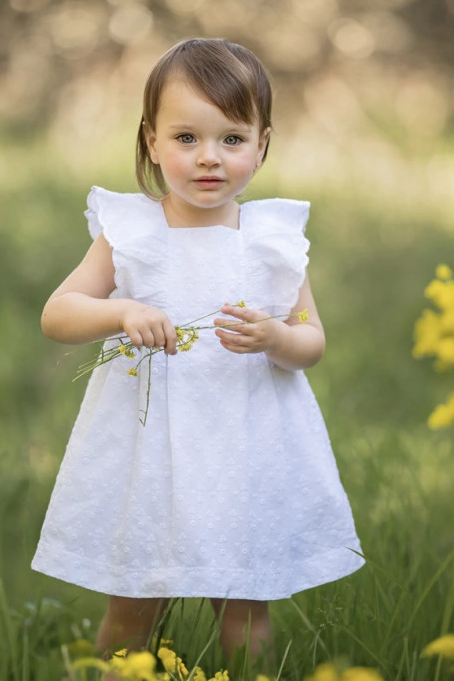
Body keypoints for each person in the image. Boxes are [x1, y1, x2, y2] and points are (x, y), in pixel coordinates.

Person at [32, 37, 364, 668]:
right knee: (132, 602)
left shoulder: (271, 241)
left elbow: (310, 341)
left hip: (246, 448)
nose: (209, 158)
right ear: (151, 143)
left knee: (244, 605)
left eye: (232, 140)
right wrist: (122, 310)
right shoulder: (131, 232)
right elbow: (58, 314)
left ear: (262, 145)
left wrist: (276, 339)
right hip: (149, 451)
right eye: (186, 138)